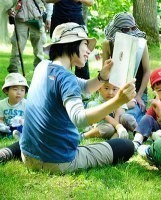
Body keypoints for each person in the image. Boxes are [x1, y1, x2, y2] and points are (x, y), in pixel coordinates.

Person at [18, 22, 136, 173]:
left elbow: (85, 87)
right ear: (71, 44)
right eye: (85, 44)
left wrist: (102, 77)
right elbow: (79, 119)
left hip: (27, 155)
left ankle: (8, 152)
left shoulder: (43, 66)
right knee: (126, 146)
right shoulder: (66, 78)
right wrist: (118, 101)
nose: (89, 51)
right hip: (57, 162)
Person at [102, 12, 150, 123]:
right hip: (114, 91)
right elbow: (105, 74)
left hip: (137, 92)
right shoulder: (107, 44)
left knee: (127, 116)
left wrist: (139, 95)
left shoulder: (141, 44)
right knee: (105, 113)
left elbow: (147, 71)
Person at [46, 0, 94, 79]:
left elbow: (91, 2)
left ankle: (83, 87)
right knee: (56, 54)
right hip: (58, 19)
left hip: (76, 19)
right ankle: (54, 82)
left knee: (81, 53)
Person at [6, 0, 51, 73]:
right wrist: (9, 10)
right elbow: (7, 3)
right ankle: (14, 75)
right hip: (20, 20)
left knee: (39, 52)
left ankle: (39, 74)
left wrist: (49, 18)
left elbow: (48, 3)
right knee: (17, 50)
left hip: (37, 20)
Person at [0, 73, 28, 138]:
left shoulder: (26, 104)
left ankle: (17, 134)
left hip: (21, 125)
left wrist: (22, 122)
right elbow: (0, 119)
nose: (19, 92)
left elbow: (29, 120)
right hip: (7, 127)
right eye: (15, 89)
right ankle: (10, 133)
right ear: (6, 91)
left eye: (22, 90)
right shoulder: (2, 104)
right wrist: (2, 126)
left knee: (23, 128)